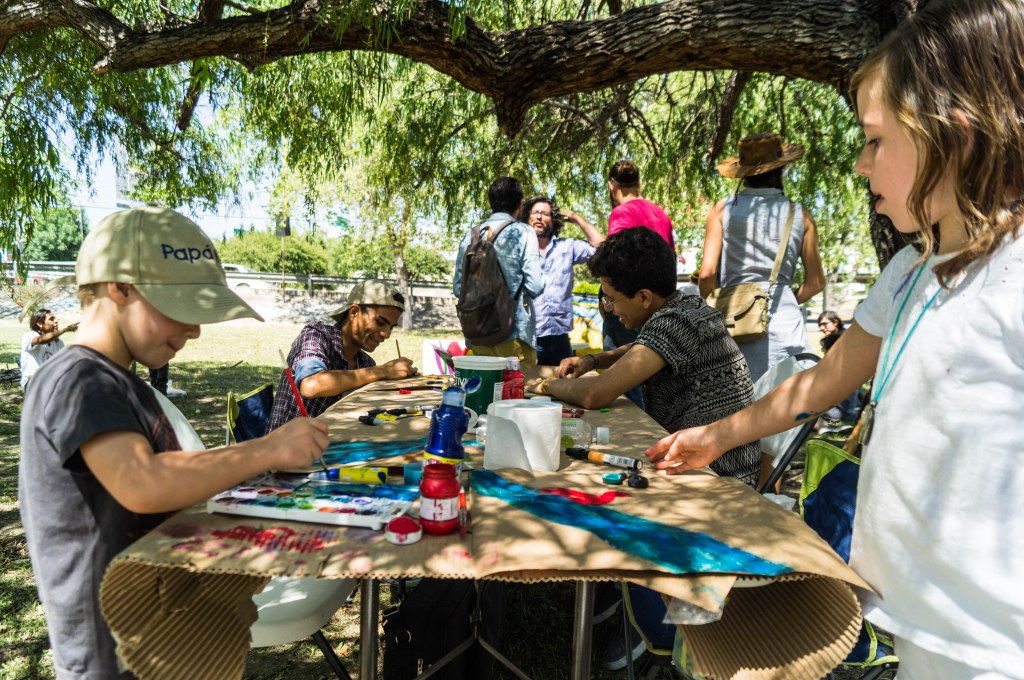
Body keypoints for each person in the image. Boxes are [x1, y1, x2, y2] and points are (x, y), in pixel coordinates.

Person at [647, 1, 1024, 675]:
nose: (859, 164)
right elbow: (820, 383)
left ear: (957, 135)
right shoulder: (910, 272)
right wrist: (718, 436)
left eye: (876, 140)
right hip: (921, 628)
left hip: (995, 644)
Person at [18, 206, 329, 678]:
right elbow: (143, 483)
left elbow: (178, 490)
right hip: (111, 653)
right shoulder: (77, 379)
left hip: (158, 634)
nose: (195, 329)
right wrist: (269, 448)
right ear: (119, 287)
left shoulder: (127, 387)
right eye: (181, 308)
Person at [530, 227, 760, 486]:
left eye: (611, 300)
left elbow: (594, 395)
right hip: (706, 459)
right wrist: (594, 360)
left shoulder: (674, 323)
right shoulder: (686, 305)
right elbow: (643, 349)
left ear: (643, 297)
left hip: (718, 474)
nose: (609, 309)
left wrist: (547, 385)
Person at [700, 133, 825, 384]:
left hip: (736, 325)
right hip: (785, 325)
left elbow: (706, 276)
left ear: (743, 172)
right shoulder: (800, 214)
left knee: (739, 409)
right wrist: (775, 299)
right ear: (781, 168)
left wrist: (723, 305)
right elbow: (816, 283)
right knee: (786, 414)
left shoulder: (722, 210)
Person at [266, 279, 417, 432]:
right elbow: (311, 385)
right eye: (380, 322)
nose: (386, 334)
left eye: (391, 327)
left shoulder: (365, 363)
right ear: (354, 312)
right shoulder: (316, 335)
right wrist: (383, 371)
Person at [599, 159, 676, 406]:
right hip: (656, 303)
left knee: (622, 378)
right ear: (639, 183)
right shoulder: (660, 214)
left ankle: (631, 433)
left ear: (612, 186)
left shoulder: (622, 212)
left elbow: (615, 259)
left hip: (629, 302)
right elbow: (670, 259)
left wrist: (606, 299)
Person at [453, 176, 545, 364]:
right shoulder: (524, 232)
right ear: (521, 204)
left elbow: (457, 288)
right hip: (513, 333)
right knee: (518, 391)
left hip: (477, 333)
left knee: (486, 390)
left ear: (490, 203)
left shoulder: (470, 236)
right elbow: (535, 286)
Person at [524, 195, 604, 366]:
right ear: (527, 217)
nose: (539, 217)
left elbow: (601, 245)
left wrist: (577, 219)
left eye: (545, 214)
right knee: (526, 389)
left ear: (553, 220)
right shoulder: (519, 250)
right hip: (528, 338)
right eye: (535, 212)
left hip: (559, 339)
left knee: (563, 388)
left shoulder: (567, 247)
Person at [20, 308, 77, 389]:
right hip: (33, 382)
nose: (56, 321)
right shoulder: (30, 336)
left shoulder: (58, 343)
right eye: (51, 319)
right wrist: (65, 329)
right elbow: (41, 340)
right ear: (39, 323)